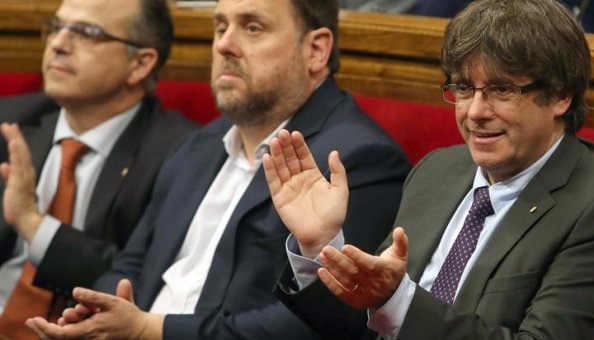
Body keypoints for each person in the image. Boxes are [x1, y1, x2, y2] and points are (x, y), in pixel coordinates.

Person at [264, 0, 594, 339]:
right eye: (464, 89)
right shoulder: (438, 169)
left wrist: (398, 300)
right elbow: (367, 329)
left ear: (559, 95)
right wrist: (321, 246)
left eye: (502, 89)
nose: (475, 112)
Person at [26, 0, 411, 339]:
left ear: (316, 50)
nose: (224, 44)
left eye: (252, 27)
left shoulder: (358, 160)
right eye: (220, 26)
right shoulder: (199, 144)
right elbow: (134, 261)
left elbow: (312, 326)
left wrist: (150, 330)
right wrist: (100, 312)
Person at [0, 0, 197, 338]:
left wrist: (33, 224)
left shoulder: (180, 154)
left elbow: (138, 279)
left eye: (85, 33)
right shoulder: (10, 123)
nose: (58, 44)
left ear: (140, 63)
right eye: (57, 27)